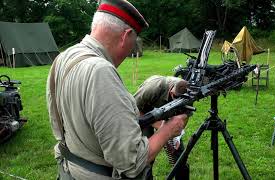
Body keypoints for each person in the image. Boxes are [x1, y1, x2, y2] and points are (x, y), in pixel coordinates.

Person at [46, 1, 188, 179]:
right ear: (125, 35)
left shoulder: (63, 58)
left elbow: (58, 124)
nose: (130, 52)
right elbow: (132, 162)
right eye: (132, 44)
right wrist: (169, 129)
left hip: (68, 170)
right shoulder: (101, 71)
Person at [134, 75, 190, 180]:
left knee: (180, 157)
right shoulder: (153, 88)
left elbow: (185, 116)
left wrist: (177, 136)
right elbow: (135, 110)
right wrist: (163, 130)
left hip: (166, 114)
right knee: (146, 154)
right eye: (176, 99)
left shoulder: (188, 93)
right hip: (144, 113)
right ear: (172, 93)